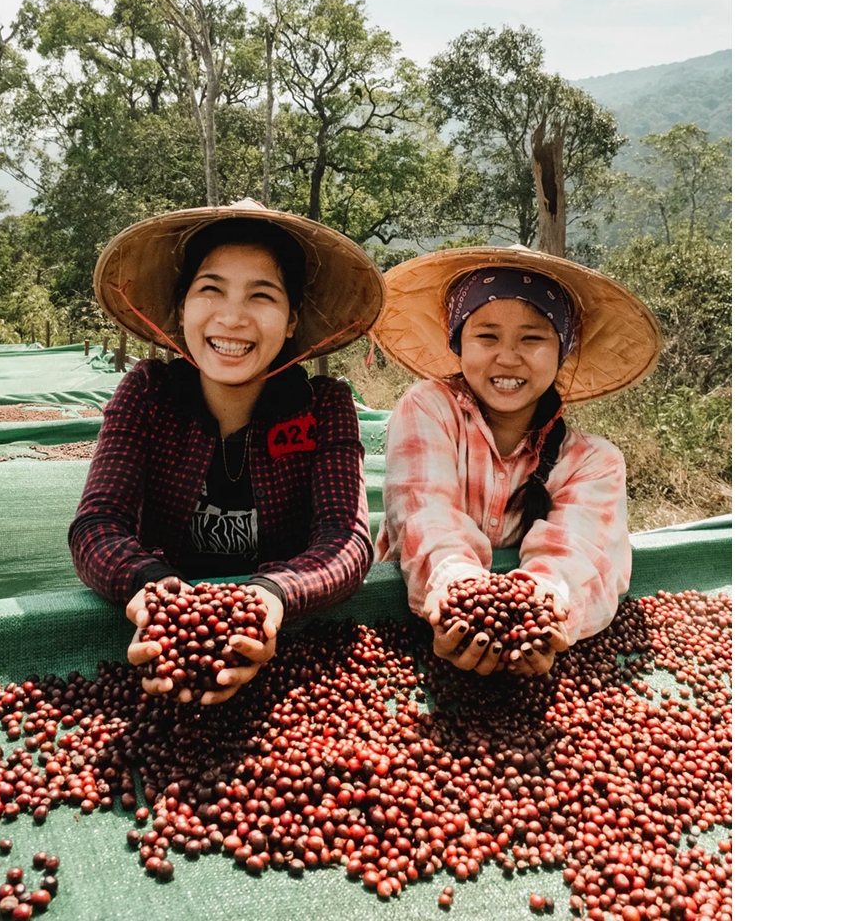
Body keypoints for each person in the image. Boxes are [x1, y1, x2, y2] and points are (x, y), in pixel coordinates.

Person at [70, 199, 385, 704]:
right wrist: (153, 588)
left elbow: (345, 539)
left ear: (290, 321)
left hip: (287, 638)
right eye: (210, 290)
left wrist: (273, 596)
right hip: (164, 631)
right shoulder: (147, 394)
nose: (233, 317)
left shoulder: (324, 406)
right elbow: (98, 525)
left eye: (262, 296)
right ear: (181, 309)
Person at [371, 246, 661, 677]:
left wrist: (541, 613)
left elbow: (579, 555)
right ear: (459, 345)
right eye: (486, 336)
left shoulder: (593, 462)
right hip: (408, 617)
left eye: (532, 338)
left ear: (562, 350)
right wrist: (457, 591)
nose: (508, 357)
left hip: (522, 647)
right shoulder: (428, 409)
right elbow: (424, 514)